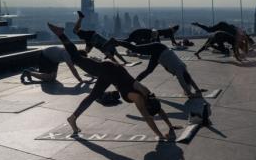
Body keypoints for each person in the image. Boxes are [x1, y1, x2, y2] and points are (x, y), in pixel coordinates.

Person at [47, 23, 177, 140]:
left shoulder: (146, 93)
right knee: (77, 59)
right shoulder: (138, 98)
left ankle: (73, 118)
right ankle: (61, 34)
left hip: (111, 71)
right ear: (148, 105)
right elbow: (148, 118)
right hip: (107, 70)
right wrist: (161, 136)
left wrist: (171, 127)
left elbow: (158, 110)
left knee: (93, 95)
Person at [108, 39, 205, 98]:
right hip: (159, 49)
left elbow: (189, 79)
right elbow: (183, 82)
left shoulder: (184, 69)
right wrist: (189, 93)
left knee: (148, 71)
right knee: (135, 48)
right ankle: (116, 41)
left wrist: (197, 89)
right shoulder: (181, 71)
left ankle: (134, 83)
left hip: (160, 54)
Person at [21, 46, 86, 84]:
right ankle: (28, 72)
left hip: (54, 60)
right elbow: (73, 69)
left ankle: (33, 70)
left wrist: (92, 74)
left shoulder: (73, 53)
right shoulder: (68, 54)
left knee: (53, 78)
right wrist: (80, 80)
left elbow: (82, 65)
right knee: (48, 78)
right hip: (45, 57)